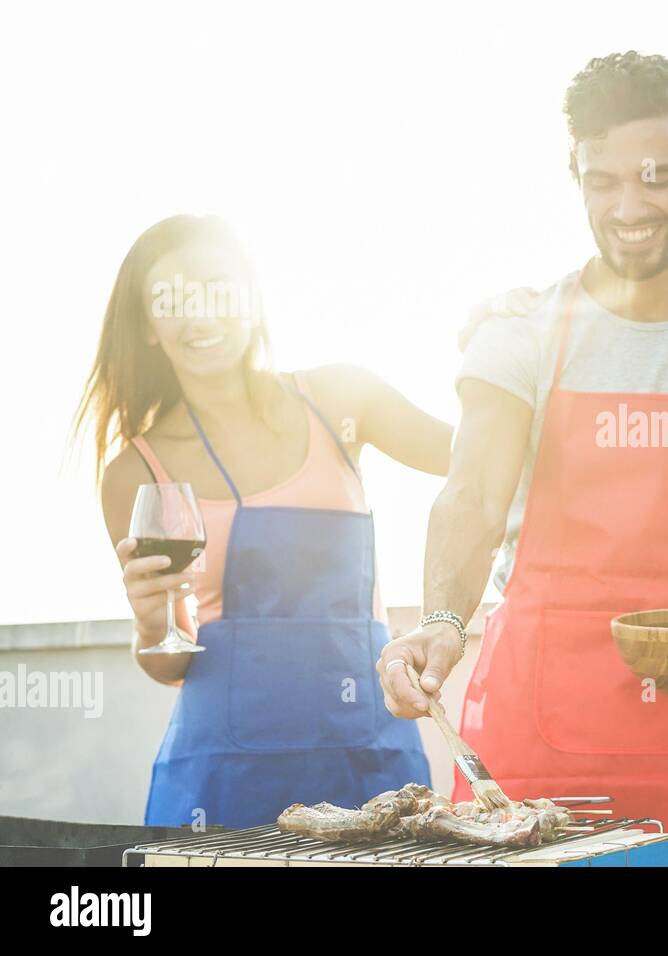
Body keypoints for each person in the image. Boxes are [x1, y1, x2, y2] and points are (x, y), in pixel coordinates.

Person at [377, 51, 668, 867]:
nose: (632, 206)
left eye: (658, 176)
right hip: (538, 736)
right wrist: (442, 624)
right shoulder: (518, 333)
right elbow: (471, 498)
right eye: (605, 180)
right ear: (577, 181)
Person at [76, 214, 454, 828]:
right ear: (147, 324)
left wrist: (502, 353)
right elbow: (170, 659)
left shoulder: (340, 399)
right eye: (174, 297)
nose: (201, 314)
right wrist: (151, 623)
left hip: (373, 762)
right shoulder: (132, 473)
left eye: (218, 288)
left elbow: (480, 466)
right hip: (220, 782)